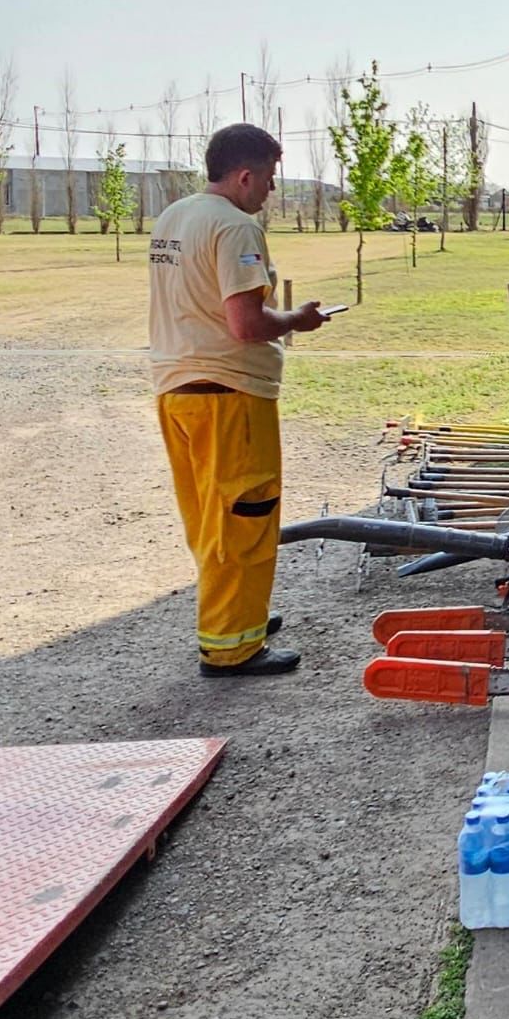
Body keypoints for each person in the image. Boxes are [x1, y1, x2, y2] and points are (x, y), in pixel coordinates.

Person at [148, 124, 331, 677]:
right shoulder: (236, 226)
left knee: (211, 519)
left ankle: (239, 615)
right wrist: (296, 319)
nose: (271, 190)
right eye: (270, 178)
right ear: (246, 175)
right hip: (229, 395)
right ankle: (231, 647)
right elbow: (246, 324)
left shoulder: (174, 217)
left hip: (177, 389)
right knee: (244, 518)